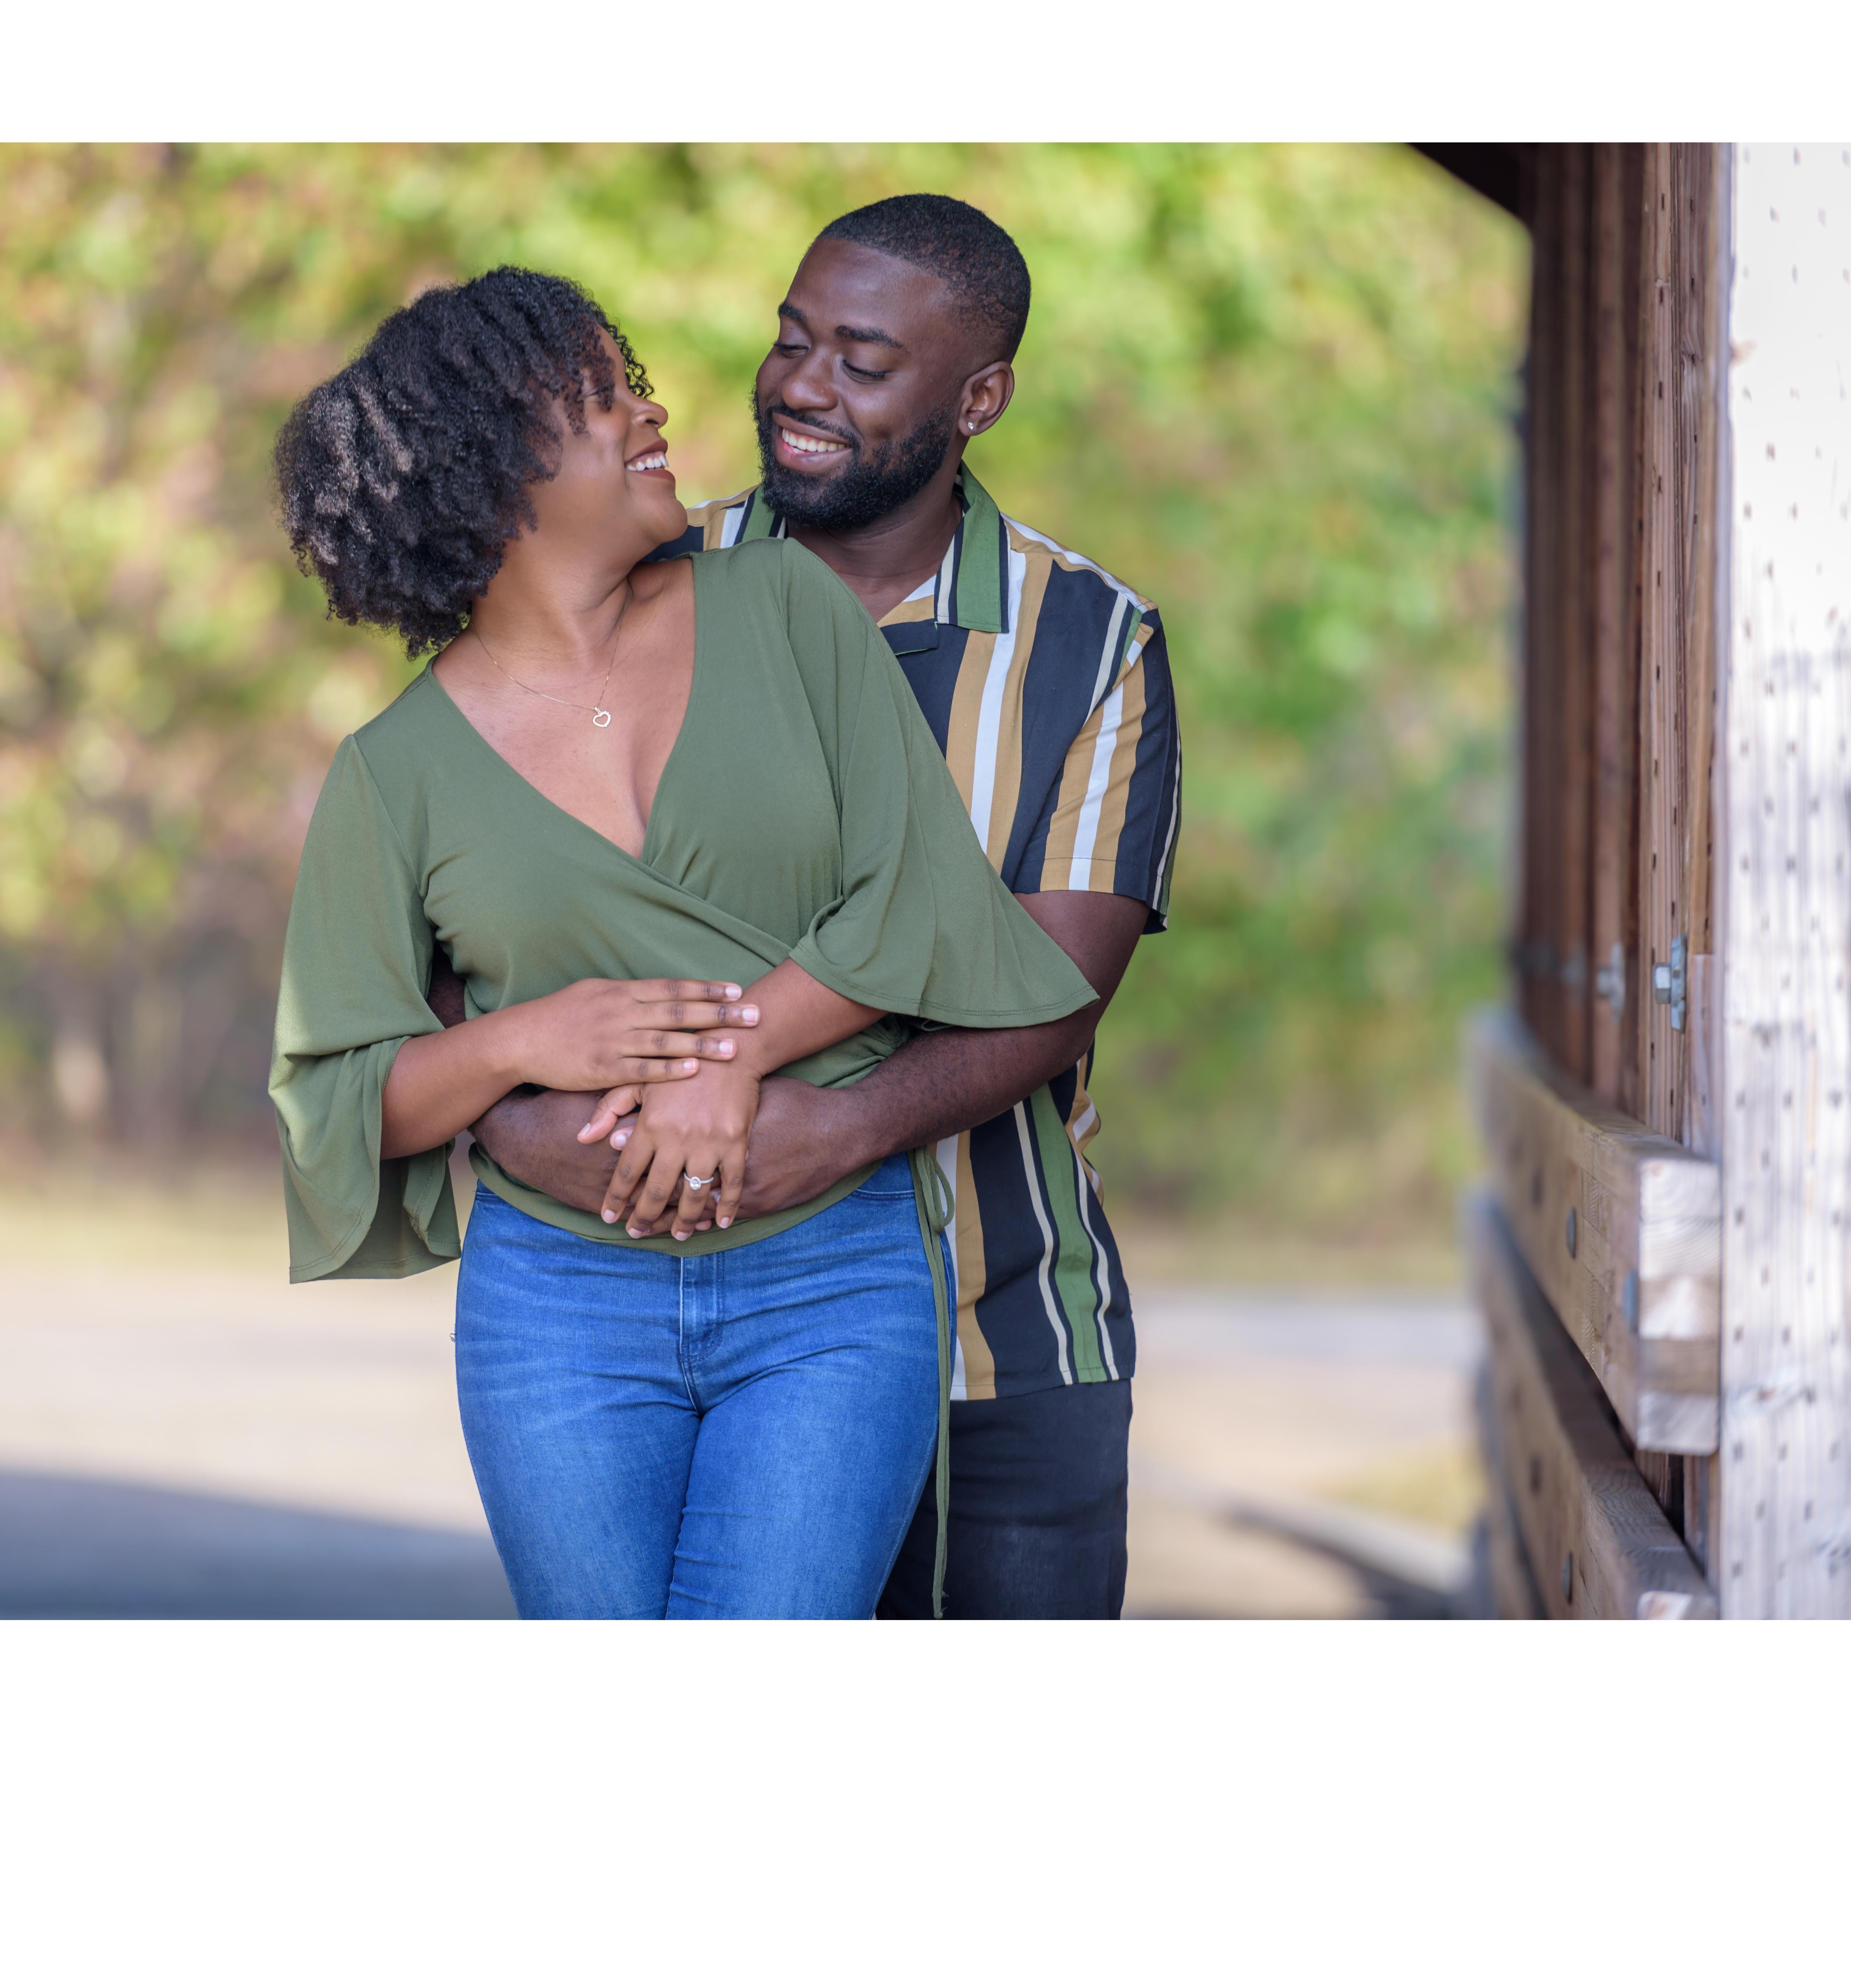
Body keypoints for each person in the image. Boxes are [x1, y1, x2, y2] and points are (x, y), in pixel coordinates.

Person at [267, 265, 1096, 1620]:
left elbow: (918, 899)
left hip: (833, 1279)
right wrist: (523, 1041)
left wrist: (733, 1053)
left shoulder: (785, 608)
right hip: (558, 1307)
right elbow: (346, 1102)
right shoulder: (392, 772)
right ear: (493, 471)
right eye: (602, 397)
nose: (651, 414)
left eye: (635, 382)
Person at [455, 198, 1183, 1620]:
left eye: (861, 362)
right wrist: (512, 1120)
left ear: (978, 398)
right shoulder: (632, 583)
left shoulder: (1091, 643)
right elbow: (452, 900)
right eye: (793, 341)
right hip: (662, 1322)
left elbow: (1055, 977)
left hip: (1000, 1338)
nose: (800, 386)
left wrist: (834, 1133)